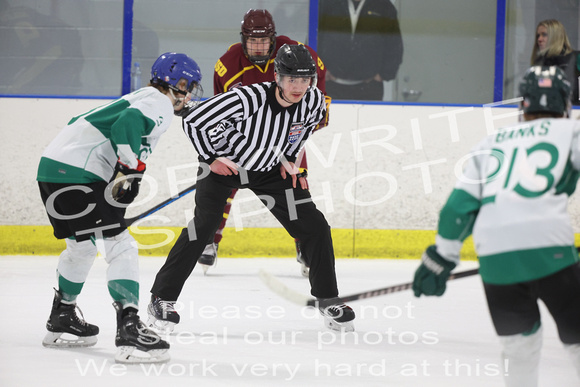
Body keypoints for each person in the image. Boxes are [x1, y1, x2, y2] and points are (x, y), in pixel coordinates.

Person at [147, 44, 355, 334]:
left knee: (314, 225)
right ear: (278, 78)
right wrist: (211, 159)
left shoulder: (314, 101)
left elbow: (302, 130)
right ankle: (162, 299)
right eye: (291, 79)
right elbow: (194, 120)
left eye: (305, 79)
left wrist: (289, 159)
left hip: (269, 171)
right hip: (224, 167)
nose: (298, 86)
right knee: (203, 228)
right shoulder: (247, 98)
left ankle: (328, 298)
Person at [412, 66, 580, 386]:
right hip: (550, 248)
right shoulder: (572, 132)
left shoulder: (491, 142)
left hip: (495, 258)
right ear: (565, 104)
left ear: (524, 105)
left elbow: (456, 209)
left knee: (519, 347)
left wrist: (441, 257)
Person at [36, 52, 203, 364]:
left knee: (82, 249)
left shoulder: (143, 96)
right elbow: (127, 124)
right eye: (187, 85)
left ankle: (62, 316)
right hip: (78, 174)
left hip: (51, 172)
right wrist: (129, 169)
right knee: (121, 247)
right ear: (173, 84)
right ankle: (129, 329)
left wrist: (126, 172)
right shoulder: (159, 101)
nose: (189, 93)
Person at [202, 8, 331, 277]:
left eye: (263, 41)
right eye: (253, 41)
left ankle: (304, 245)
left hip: (287, 131)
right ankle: (209, 240)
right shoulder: (227, 64)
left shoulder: (295, 52)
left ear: (273, 39)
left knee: (296, 183)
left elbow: (317, 86)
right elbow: (219, 110)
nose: (259, 47)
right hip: (244, 136)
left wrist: (316, 114)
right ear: (243, 39)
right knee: (226, 180)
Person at [317, 0, 403, 101]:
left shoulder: (383, 6)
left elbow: (394, 45)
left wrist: (384, 74)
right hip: (331, 86)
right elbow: (314, 37)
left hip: (369, 88)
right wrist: (319, 71)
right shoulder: (328, 4)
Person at [531, 19, 580, 105]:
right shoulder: (540, 62)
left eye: (544, 35)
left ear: (556, 36)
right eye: (538, 35)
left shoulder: (576, 58)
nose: (539, 39)